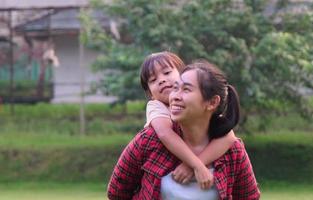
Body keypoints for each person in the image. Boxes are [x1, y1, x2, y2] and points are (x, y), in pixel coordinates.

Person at [107, 60, 260, 199]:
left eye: (186, 89)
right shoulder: (149, 139)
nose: (175, 96)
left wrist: (194, 164)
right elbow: (117, 192)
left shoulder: (232, 150)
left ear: (212, 102)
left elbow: (249, 197)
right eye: (175, 88)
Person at [139, 52, 236, 188]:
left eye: (166, 73)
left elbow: (228, 136)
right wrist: (197, 165)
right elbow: (165, 134)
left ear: (183, 75)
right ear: (150, 93)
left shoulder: (202, 107)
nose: (161, 80)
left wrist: (194, 165)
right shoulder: (156, 106)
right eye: (153, 80)